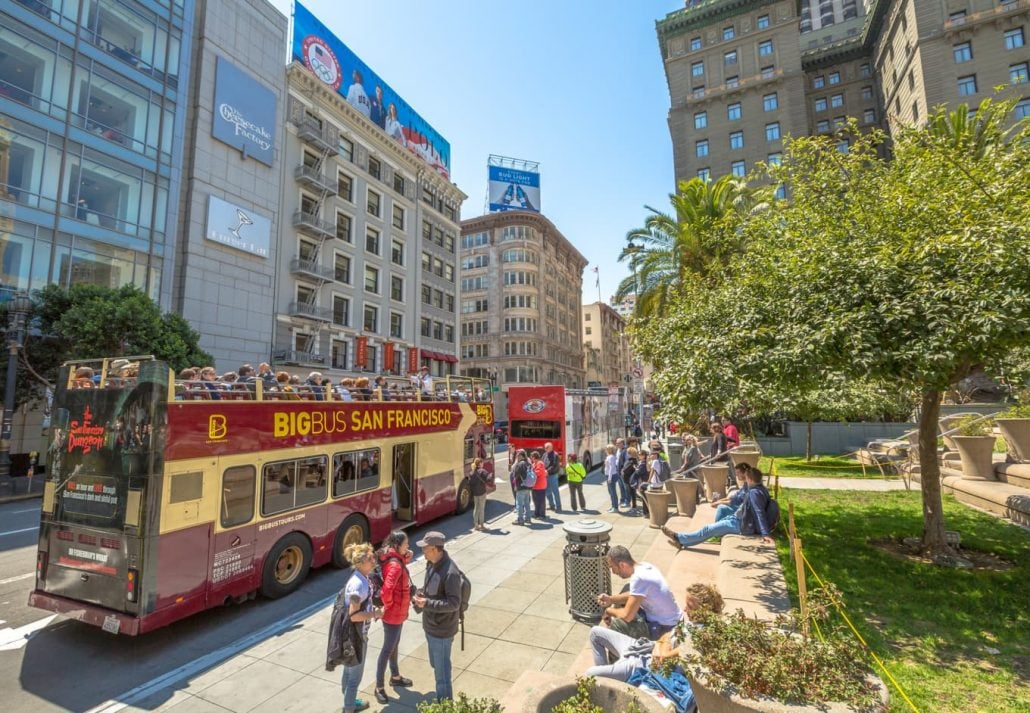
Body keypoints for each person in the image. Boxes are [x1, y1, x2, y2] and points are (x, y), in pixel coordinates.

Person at [585, 583, 725, 682]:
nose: (685, 609)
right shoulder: (691, 620)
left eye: (690, 606)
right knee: (596, 633)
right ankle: (606, 683)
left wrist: (663, 651)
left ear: (704, 609)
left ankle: (605, 680)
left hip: (644, 665)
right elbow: (667, 635)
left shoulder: (703, 634)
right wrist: (661, 645)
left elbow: (670, 656)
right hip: (647, 648)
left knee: (590, 674)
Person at [661, 466, 774, 549]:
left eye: (746, 478)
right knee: (709, 529)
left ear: (750, 479)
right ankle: (682, 542)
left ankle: (678, 537)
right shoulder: (759, 489)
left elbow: (760, 512)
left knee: (708, 530)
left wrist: (765, 534)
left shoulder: (755, 492)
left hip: (740, 525)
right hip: (736, 519)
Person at [412, 531, 462, 703]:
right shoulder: (431, 564)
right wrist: (421, 594)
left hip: (442, 631)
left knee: (442, 676)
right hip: (431, 626)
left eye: (425, 548)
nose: (423, 551)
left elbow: (453, 603)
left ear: (434, 548)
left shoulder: (451, 573)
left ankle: (445, 705)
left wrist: (427, 603)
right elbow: (432, 590)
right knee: (437, 666)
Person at [597, 545, 682, 640]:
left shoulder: (639, 578)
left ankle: (618, 652)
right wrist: (611, 599)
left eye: (612, 567)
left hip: (664, 628)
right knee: (627, 588)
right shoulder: (645, 566)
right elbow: (632, 594)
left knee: (618, 625)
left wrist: (609, 611)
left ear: (622, 565)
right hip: (674, 619)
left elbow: (627, 616)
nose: (613, 572)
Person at [338, 542, 383, 713]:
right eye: (370, 558)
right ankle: (349, 708)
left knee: (349, 672)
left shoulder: (361, 578)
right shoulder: (358, 585)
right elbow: (354, 615)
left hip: (351, 635)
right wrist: (376, 614)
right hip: (355, 637)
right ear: (361, 562)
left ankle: (349, 701)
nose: (374, 560)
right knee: (354, 678)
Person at [373, 532, 414, 705]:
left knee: (394, 645)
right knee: (387, 649)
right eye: (406, 544)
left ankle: (395, 676)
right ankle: (379, 687)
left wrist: (406, 556)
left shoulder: (392, 558)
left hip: (397, 611)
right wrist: (389, 606)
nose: (408, 547)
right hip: (393, 613)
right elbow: (387, 591)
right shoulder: (395, 565)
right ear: (397, 545)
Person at [469, 457, 492, 531]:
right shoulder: (482, 471)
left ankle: (476, 525)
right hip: (482, 493)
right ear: (480, 464)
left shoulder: (471, 473)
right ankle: (481, 525)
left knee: (476, 508)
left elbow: (470, 483)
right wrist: (491, 475)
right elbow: (488, 479)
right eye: (482, 462)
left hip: (475, 493)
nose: (483, 464)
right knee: (481, 509)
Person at [511, 449, 532, 525]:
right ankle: (528, 518)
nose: (517, 457)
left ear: (521, 456)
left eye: (518, 456)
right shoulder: (528, 463)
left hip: (520, 486)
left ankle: (520, 519)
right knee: (527, 503)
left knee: (519, 504)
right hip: (528, 486)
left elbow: (515, 474)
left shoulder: (520, 464)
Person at [542, 442, 562, 512]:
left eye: (547, 447)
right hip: (545, 475)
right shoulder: (545, 454)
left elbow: (555, 465)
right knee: (547, 491)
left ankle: (558, 506)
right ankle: (551, 505)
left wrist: (547, 471)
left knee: (555, 491)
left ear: (551, 447)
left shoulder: (555, 455)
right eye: (545, 447)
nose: (545, 449)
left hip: (552, 475)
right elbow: (542, 463)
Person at [621, 446, 641, 514]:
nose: (627, 454)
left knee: (632, 493)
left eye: (628, 453)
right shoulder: (633, 460)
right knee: (632, 493)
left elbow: (626, 469)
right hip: (629, 479)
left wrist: (623, 470)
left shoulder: (631, 461)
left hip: (630, 479)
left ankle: (634, 507)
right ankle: (634, 506)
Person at [530, 450, 548, 520]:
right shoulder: (534, 464)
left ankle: (542, 515)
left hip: (540, 485)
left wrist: (532, 472)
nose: (531, 459)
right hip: (535, 486)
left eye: (532, 457)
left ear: (534, 457)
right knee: (535, 501)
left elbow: (539, 472)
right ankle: (536, 514)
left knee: (541, 501)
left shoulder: (540, 463)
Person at [603, 444, 620, 513]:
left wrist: (609, 478)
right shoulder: (610, 457)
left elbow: (611, 468)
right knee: (611, 492)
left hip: (611, 476)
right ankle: (613, 506)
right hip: (610, 476)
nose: (606, 450)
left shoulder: (611, 457)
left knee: (613, 492)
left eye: (607, 448)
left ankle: (615, 507)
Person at [615, 438, 630, 507]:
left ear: (622, 443)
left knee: (626, 487)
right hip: (618, 471)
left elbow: (627, 461)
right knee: (621, 487)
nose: (616, 444)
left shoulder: (626, 450)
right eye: (616, 443)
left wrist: (623, 469)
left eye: (618, 443)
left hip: (623, 472)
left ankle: (627, 502)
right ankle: (622, 500)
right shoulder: (618, 450)